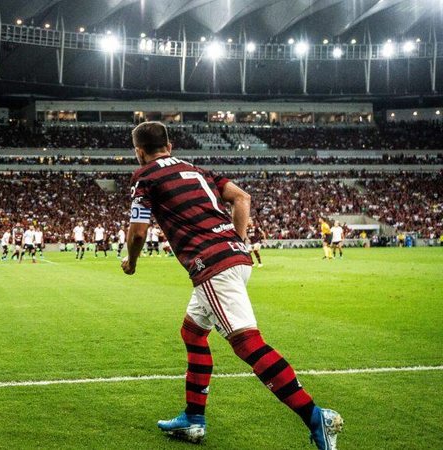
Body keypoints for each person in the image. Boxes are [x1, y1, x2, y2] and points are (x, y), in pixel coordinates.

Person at [120, 122, 342, 449]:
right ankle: (194, 419)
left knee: (247, 343)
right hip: (233, 258)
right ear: (171, 144)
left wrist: (132, 263)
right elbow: (242, 198)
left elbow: (138, 232)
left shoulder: (146, 177)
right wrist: (236, 242)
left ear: (139, 152)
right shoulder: (199, 170)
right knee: (192, 332)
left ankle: (314, 415)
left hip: (212, 267)